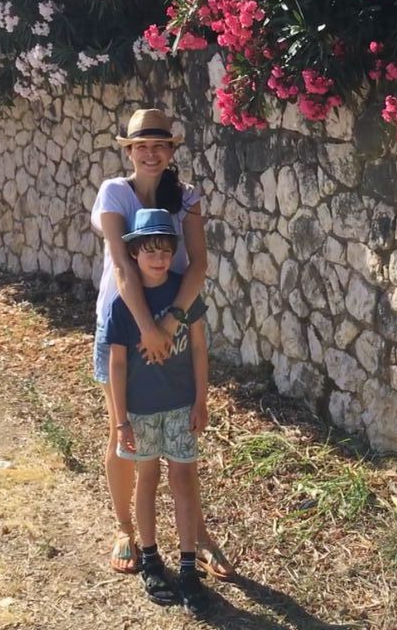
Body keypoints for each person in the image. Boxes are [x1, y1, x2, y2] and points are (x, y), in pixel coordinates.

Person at [90, 107, 234, 579]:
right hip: (126, 326)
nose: (150, 153)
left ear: (171, 151)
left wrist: (170, 322)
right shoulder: (115, 192)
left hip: (174, 322)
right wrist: (147, 328)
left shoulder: (186, 198)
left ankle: (198, 535)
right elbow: (121, 265)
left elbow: (197, 265)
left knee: (180, 441)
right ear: (129, 151)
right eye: (140, 146)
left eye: (159, 145)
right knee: (124, 431)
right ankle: (125, 529)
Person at [105, 207, 210, 615]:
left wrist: (201, 399)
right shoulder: (124, 304)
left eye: (165, 249)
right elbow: (116, 363)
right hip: (142, 411)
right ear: (134, 254)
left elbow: (199, 348)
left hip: (181, 406)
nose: (159, 257)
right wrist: (120, 419)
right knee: (145, 479)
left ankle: (188, 566)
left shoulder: (185, 292)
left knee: (184, 480)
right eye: (149, 249)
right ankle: (150, 558)